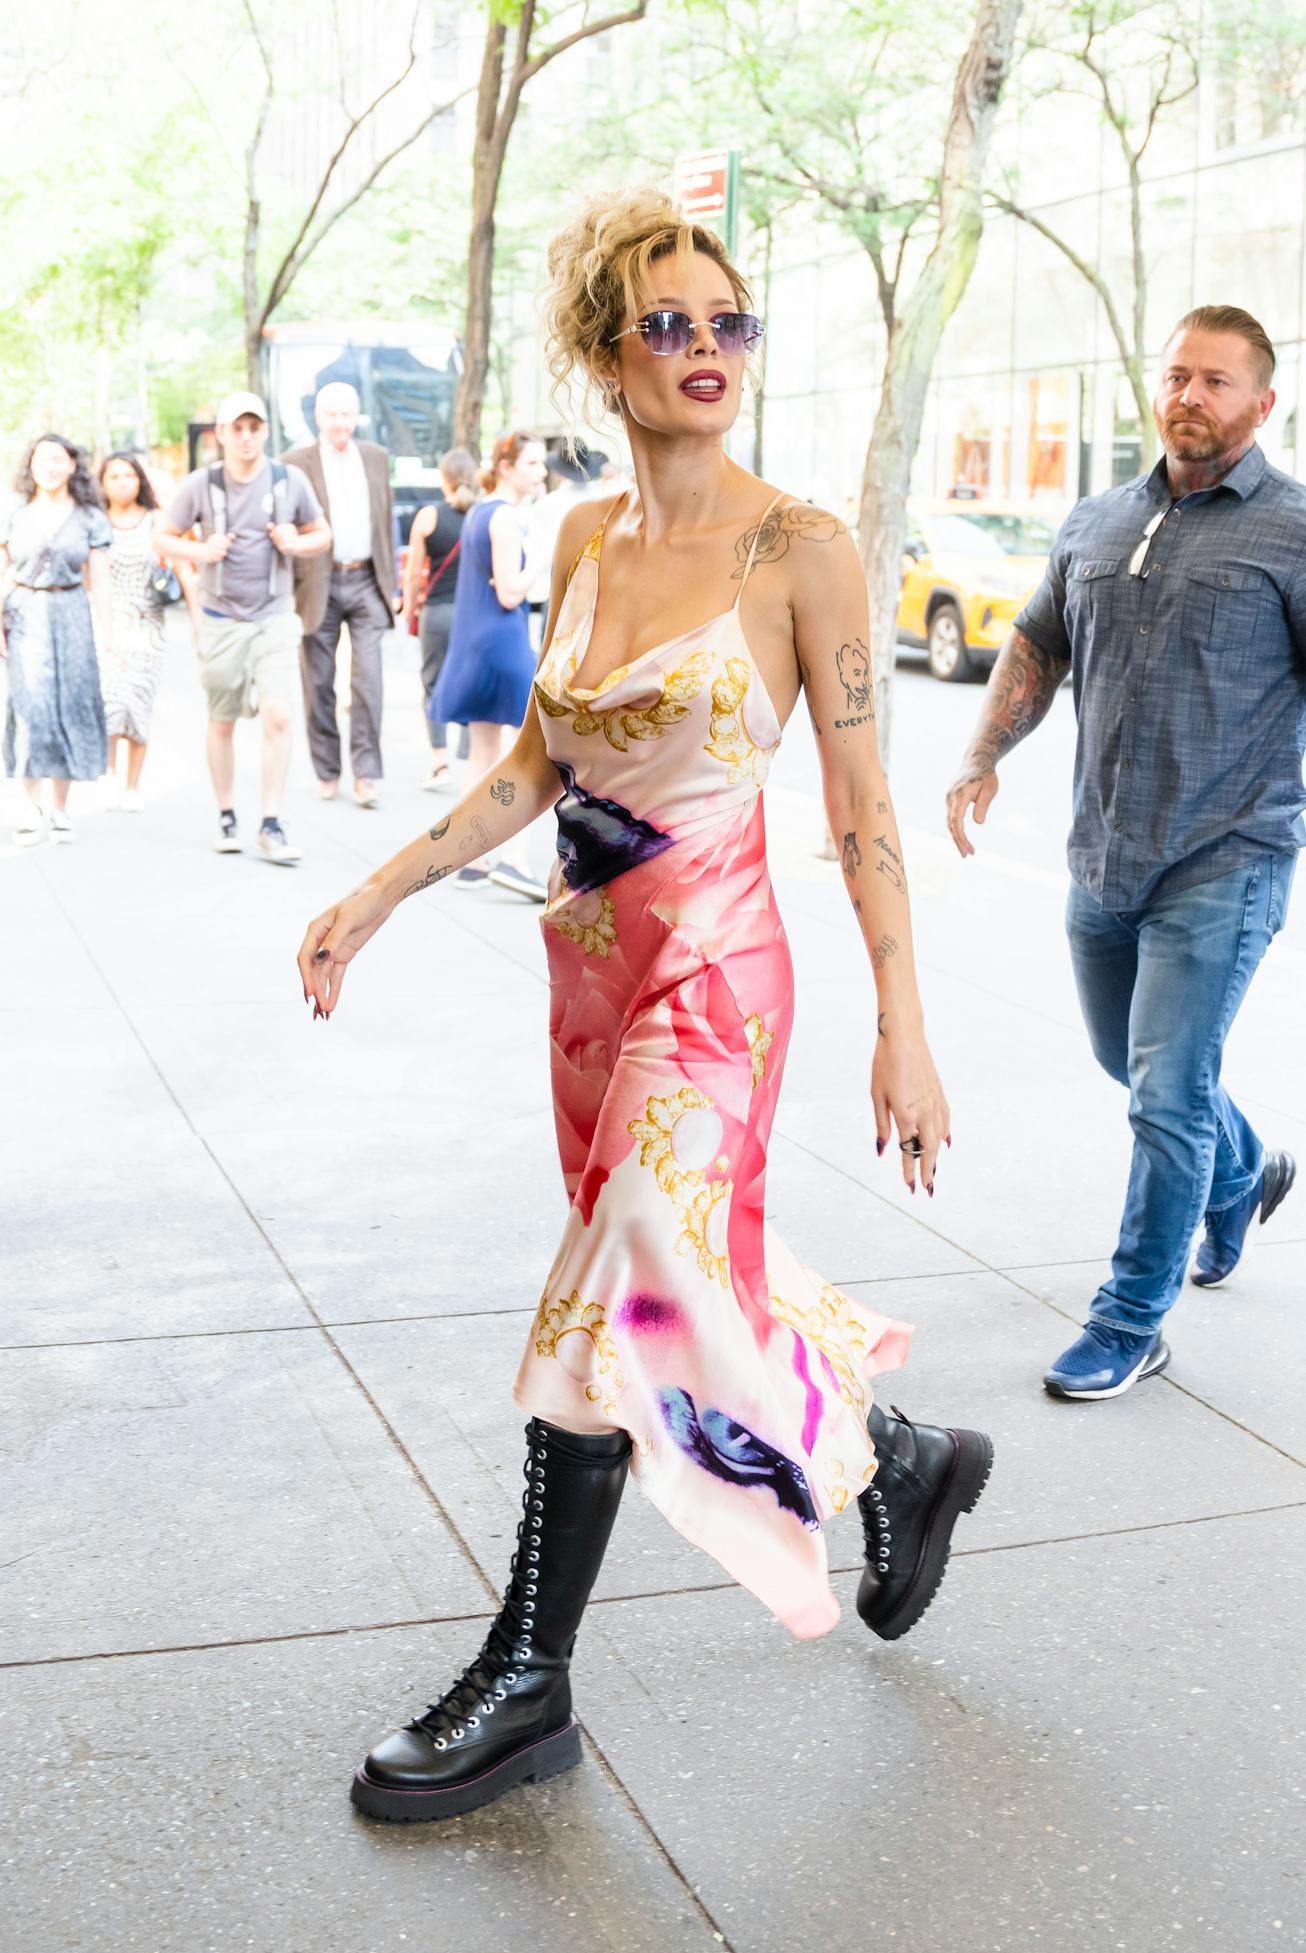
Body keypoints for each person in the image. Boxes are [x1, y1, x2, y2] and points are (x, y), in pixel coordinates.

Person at [299, 187, 992, 1825]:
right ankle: (896, 1459)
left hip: (717, 975)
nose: (703, 350)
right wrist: (381, 888)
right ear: (606, 358)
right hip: (591, 972)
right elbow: (544, 766)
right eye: (667, 325)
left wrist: (904, 1015)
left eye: (727, 323)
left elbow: (858, 798)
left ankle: (526, 1684)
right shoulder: (586, 542)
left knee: (593, 1323)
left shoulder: (800, 549)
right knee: (688, 1276)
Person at [946, 304, 1305, 1402]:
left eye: (1216, 381)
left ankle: (1130, 1318)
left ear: (1261, 402)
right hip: (1101, 858)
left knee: (1162, 1095)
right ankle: (1241, 1171)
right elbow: (1037, 643)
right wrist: (980, 754)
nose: (1188, 395)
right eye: (1177, 375)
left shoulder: (1293, 532)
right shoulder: (1097, 519)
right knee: (1137, 1066)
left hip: (1225, 858)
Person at [160, 392, 331, 863]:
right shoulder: (201, 484)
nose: (246, 436)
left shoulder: (287, 479)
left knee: (278, 713)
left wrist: (295, 542)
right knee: (223, 719)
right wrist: (202, 552)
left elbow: (322, 535)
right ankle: (226, 813)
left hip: (274, 616)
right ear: (222, 433)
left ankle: (271, 821)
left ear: (265, 431)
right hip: (220, 620)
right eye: (237, 428)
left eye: (254, 427)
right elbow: (164, 537)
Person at [433, 429, 547, 891]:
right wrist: (542, 558)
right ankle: (513, 859)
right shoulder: (503, 518)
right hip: (504, 643)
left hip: (476, 644)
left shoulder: (479, 512)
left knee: (482, 753)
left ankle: (470, 857)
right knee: (521, 756)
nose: (540, 472)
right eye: (533, 464)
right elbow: (510, 591)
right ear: (506, 468)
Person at [284, 381, 397, 809]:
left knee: (368, 681)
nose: (340, 423)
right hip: (318, 583)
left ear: (357, 416)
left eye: (347, 414)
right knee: (318, 682)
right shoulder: (295, 463)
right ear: (318, 416)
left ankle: (366, 774)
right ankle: (327, 770)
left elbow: (385, 522)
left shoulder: (375, 457)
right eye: (332, 414)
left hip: (367, 579)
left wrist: (393, 585)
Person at [1, 433, 112, 846]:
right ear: (30, 465)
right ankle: (32, 807)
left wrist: (108, 631)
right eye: (41, 459)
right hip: (25, 612)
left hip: (72, 613)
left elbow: (98, 579)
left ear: (71, 464)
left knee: (72, 704)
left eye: (57, 458)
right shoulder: (14, 512)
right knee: (30, 707)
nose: (49, 466)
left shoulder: (88, 516)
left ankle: (61, 808)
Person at [97, 452, 197, 810]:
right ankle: (107, 777)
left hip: (148, 623)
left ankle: (132, 786)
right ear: (103, 483)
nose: (123, 482)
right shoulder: (96, 522)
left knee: (138, 702)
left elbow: (184, 571)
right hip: (106, 623)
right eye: (115, 476)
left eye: (129, 475)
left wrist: (199, 625)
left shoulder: (157, 521)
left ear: (140, 480)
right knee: (109, 701)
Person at [401, 447, 478, 794]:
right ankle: (470, 756)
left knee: (432, 684)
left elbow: (415, 574)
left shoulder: (428, 516)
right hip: (472, 613)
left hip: (438, 612)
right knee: (469, 683)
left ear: (443, 478)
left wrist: (410, 608)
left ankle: (440, 761)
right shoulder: (481, 514)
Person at [523, 438, 607, 648]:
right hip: (600, 591)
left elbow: (538, 552)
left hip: (558, 591)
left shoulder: (547, 504)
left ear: (559, 471)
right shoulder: (607, 501)